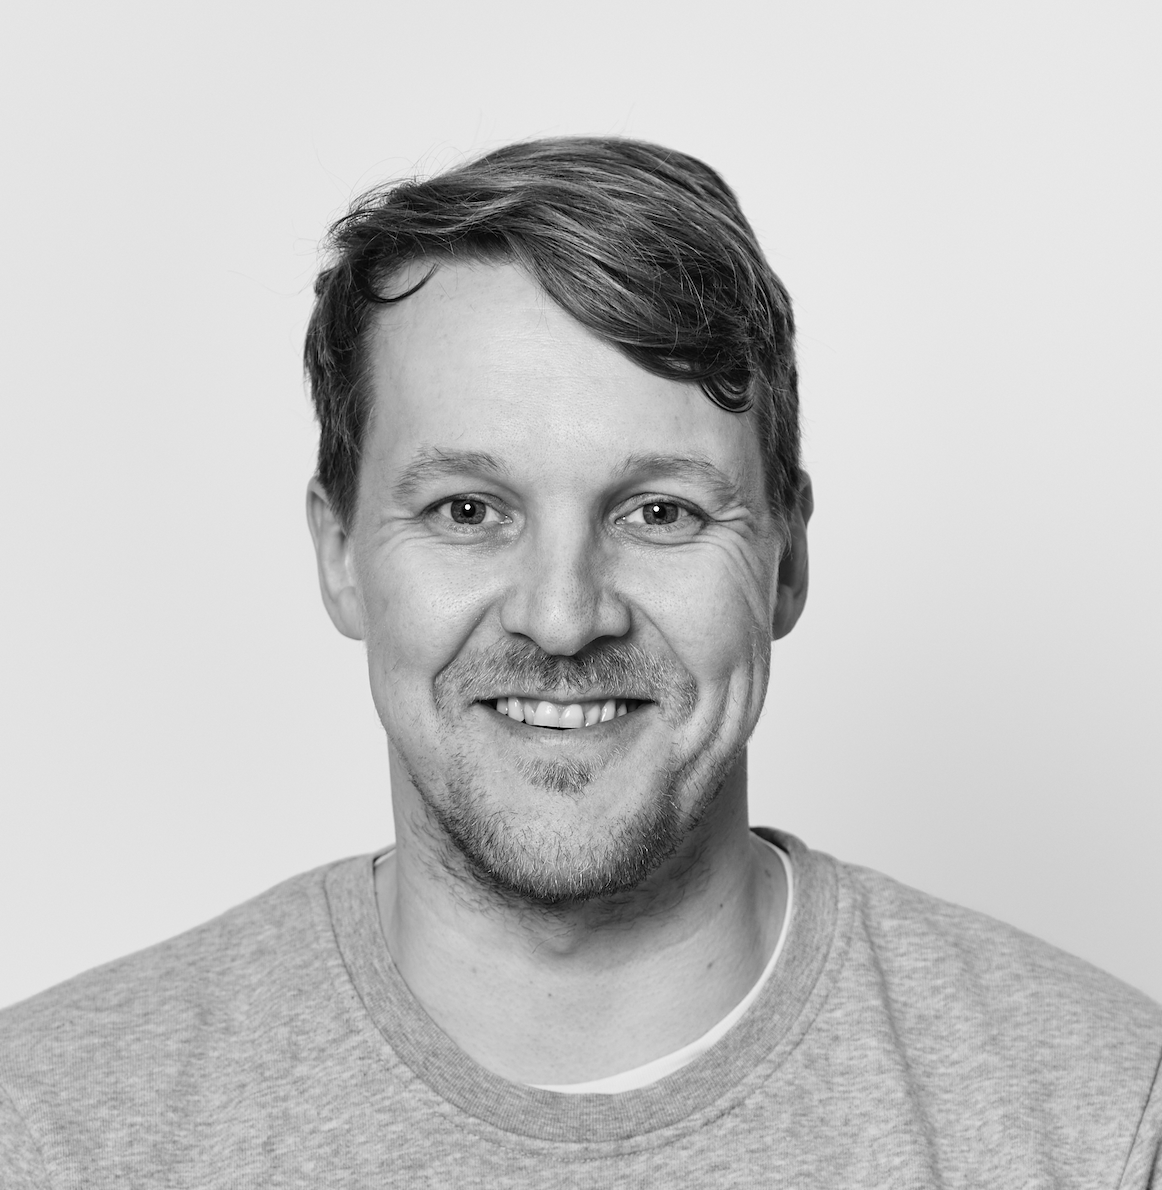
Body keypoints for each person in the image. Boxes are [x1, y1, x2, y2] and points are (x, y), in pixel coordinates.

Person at [1, 137, 1158, 1188]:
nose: (562, 618)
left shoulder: (1103, 1123)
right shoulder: (55, 1129)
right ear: (340, 555)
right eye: (467, 507)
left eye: (657, 511)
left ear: (786, 560)